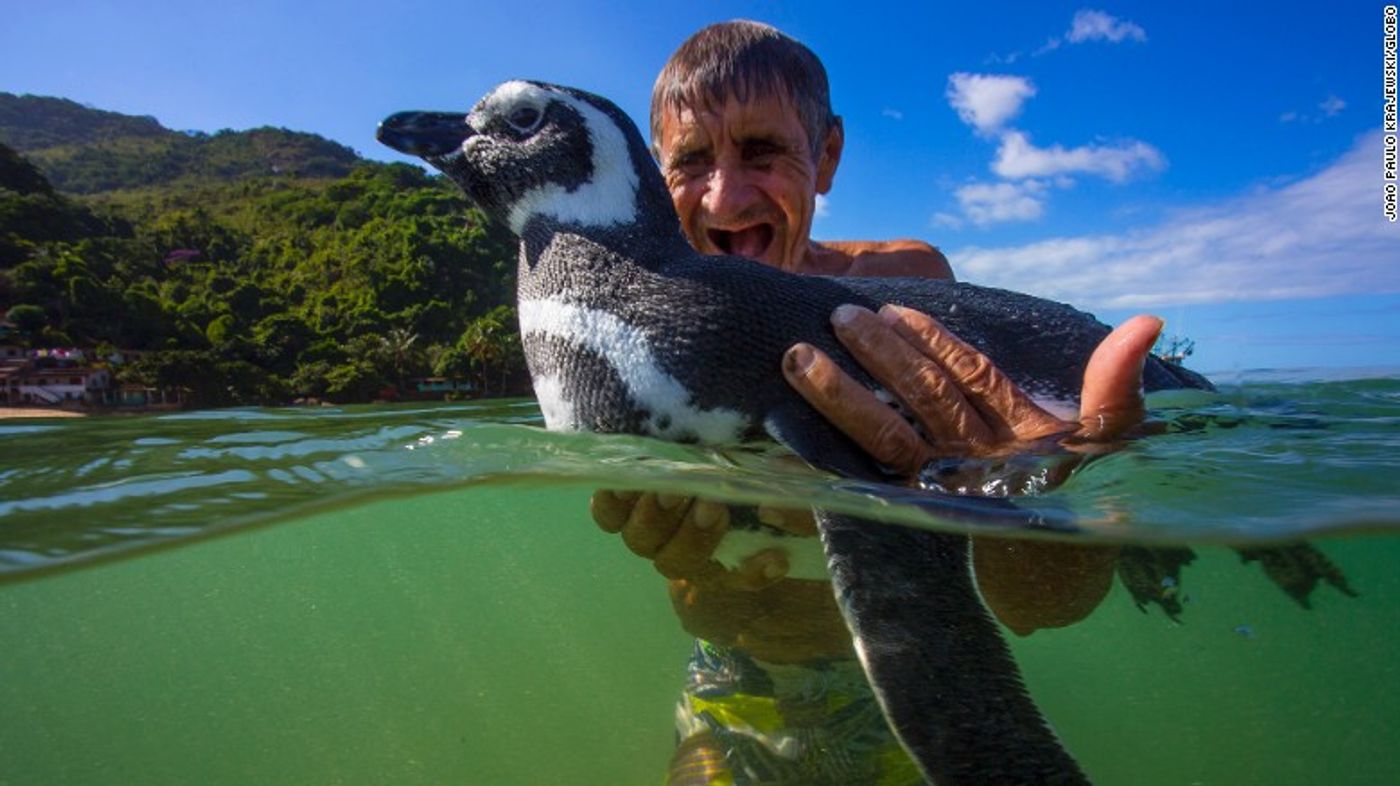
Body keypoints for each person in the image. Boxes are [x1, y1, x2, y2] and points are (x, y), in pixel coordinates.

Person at [590, 20, 1161, 785]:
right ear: (660, 179)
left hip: (887, 683)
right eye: (691, 160)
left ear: (825, 157)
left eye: (762, 151)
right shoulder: (639, 337)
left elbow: (1035, 603)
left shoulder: (909, 286)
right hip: (729, 686)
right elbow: (691, 587)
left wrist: (1016, 484)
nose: (724, 196)